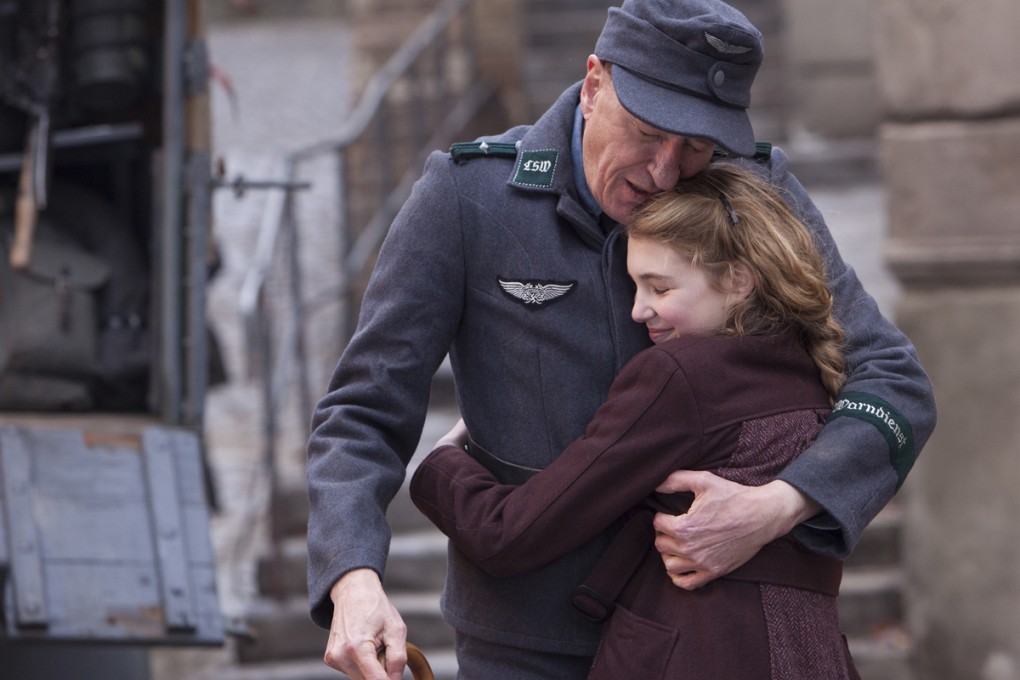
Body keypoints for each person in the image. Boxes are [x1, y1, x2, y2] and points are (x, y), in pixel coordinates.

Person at [305, 0, 936, 677]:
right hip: (525, 643)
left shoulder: (755, 190)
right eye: (648, 132)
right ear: (594, 84)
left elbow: (891, 379)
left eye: (696, 147)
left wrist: (779, 504)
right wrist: (352, 575)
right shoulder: (468, 197)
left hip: (704, 643)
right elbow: (362, 412)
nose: (665, 171)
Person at [410, 162, 859, 679]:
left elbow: (511, 534)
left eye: (659, 288)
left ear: (738, 281)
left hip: (701, 654)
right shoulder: (807, 364)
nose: (638, 311)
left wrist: (443, 464)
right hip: (812, 654)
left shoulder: (680, 376)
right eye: (635, 288)